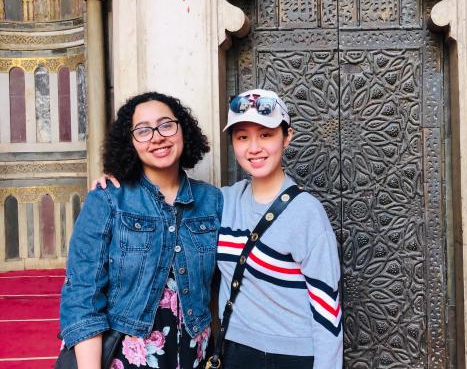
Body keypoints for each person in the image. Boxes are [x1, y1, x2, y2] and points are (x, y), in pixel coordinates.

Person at [94, 89, 343, 369]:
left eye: (266, 134)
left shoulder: (307, 212)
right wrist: (119, 178)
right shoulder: (222, 201)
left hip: (291, 356)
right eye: (242, 137)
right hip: (232, 351)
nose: (254, 148)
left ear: (287, 138)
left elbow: (327, 311)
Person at [60, 92, 223, 369]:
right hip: (127, 356)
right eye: (143, 130)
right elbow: (82, 293)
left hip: (195, 355)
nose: (157, 137)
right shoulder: (109, 199)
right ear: (131, 142)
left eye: (166, 125)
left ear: (183, 129)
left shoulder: (212, 201)